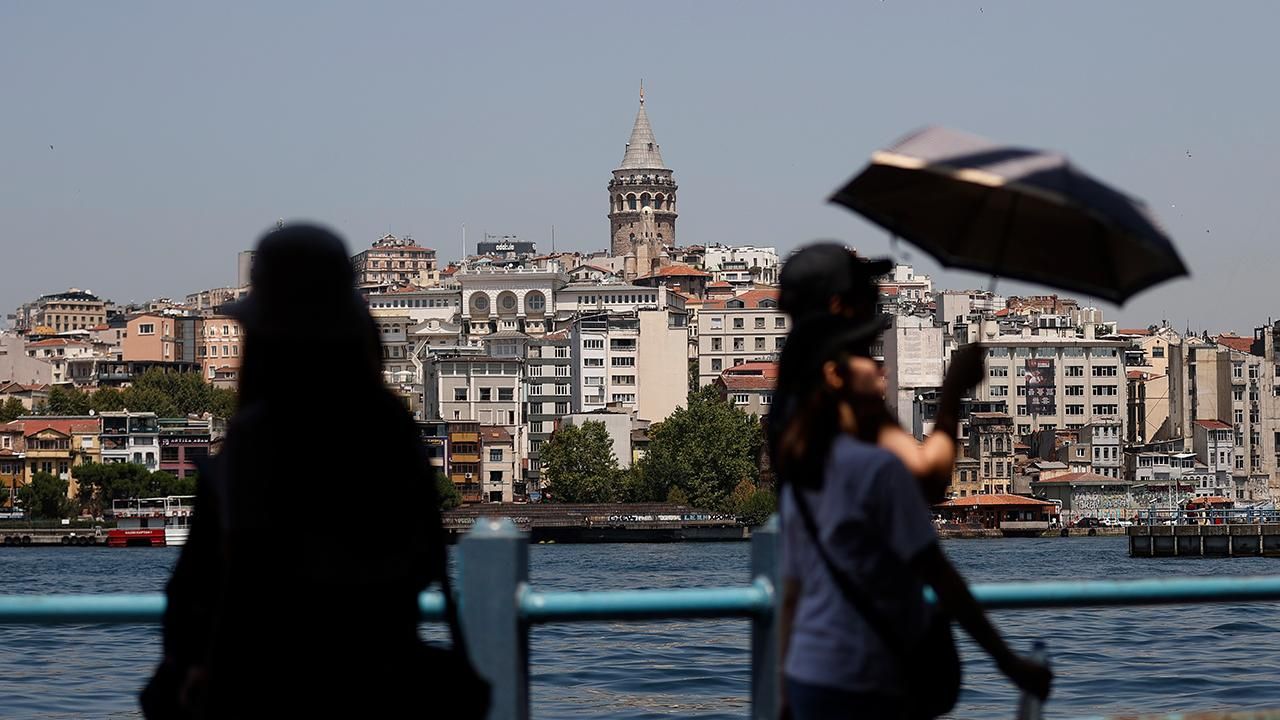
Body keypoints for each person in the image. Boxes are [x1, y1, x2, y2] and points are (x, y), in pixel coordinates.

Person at [141, 224, 486, 718]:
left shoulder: (257, 437)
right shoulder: (391, 431)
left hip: (267, 687)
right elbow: (423, 565)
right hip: (383, 686)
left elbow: (199, 594)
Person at [773, 314, 1051, 719]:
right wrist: (1008, 662)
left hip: (810, 677)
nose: (882, 365)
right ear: (834, 375)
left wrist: (783, 693)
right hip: (873, 680)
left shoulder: (802, 471)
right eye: (867, 356)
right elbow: (940, 574)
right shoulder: (878, 467)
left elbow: (792, 597)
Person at [773, 243, 977, 504]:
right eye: (861, 285)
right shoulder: (842, 380)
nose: (873, 293)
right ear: (837, 303)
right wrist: (954, 387)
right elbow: (928, 478)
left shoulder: (796, 377)